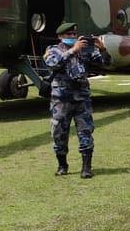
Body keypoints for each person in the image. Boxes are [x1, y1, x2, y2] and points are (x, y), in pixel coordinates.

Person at [45, 22, 110, 179]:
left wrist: (102, 48)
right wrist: (73, 50)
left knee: (85, 131)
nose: (72, 37)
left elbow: (106, 64)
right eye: (68, 35)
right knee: (59, 133)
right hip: (61, 100)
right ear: (60, 36)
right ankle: (62, 165)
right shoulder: (53, 50)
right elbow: (52, 64)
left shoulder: (86, 50)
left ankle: (86, 168)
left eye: (74, 35)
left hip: (81, 98)